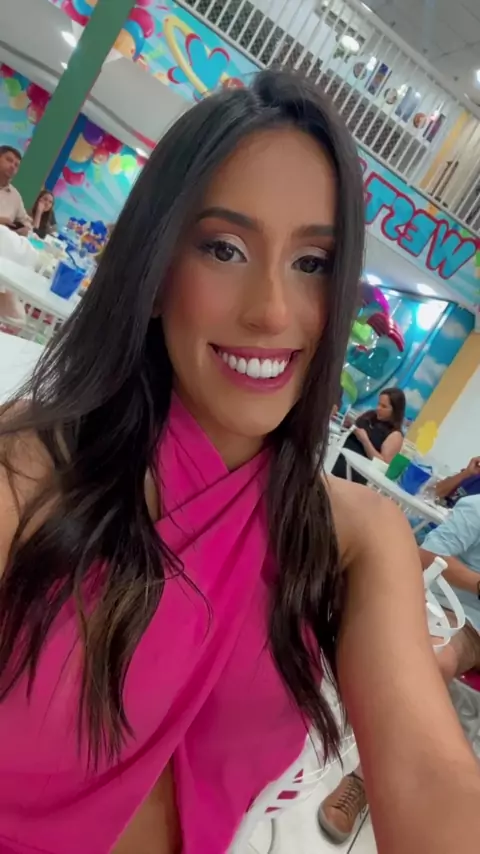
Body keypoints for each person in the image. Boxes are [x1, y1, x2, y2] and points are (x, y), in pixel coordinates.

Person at [0, 71, 479, 854]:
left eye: (313, 262)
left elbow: (431, 779)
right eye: (225, 248)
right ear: (156, 270)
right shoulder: (30, 473)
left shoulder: (356, 535)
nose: (272, 311)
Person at [319, 495, 480, 844]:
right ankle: (362, 780)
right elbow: (426, 555)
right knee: (436, 659)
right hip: (464, 619)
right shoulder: (477, 508)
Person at [332, 387, 405, 482]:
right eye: (378, 404)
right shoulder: (370, 415)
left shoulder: (395, 435)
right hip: (339, 454)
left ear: (395, 411)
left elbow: (382, 466)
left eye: (384, 406)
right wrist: (349, 426)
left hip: (354, 471)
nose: (378, 408)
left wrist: (365, 441)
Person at [0, 145, 30, 236]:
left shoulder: (15, 196)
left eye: (16, 165)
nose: (13, 166)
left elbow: (26, 221)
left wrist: (25, 229)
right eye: (9, 160)